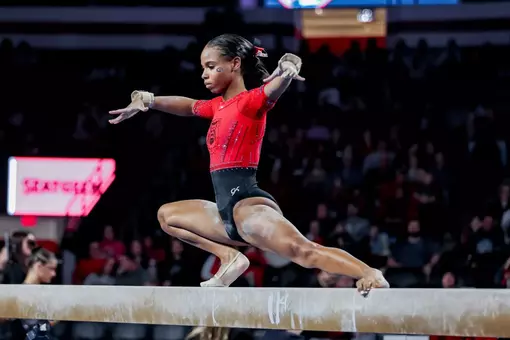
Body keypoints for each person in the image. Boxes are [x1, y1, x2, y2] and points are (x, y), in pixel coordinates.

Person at [109, 34, 389, 294]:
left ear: (234, 64)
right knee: (167, 216)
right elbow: (188, 105)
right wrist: (149, 100)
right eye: (203, 68)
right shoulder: (217, 106)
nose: (204, 74)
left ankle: (369, 272)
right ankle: (229, 257)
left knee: (304, 253)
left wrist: (289, 66)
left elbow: (273, 89)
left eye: (211, 66)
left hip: (248, 206)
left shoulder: (251, 101)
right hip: (224, 213)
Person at [9, 247, 58, 340]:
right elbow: (37, 326)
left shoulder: (40, 291)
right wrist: (60, 314)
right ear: (39, 266)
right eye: (51, 268)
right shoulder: (24, 292)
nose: (54, 274)